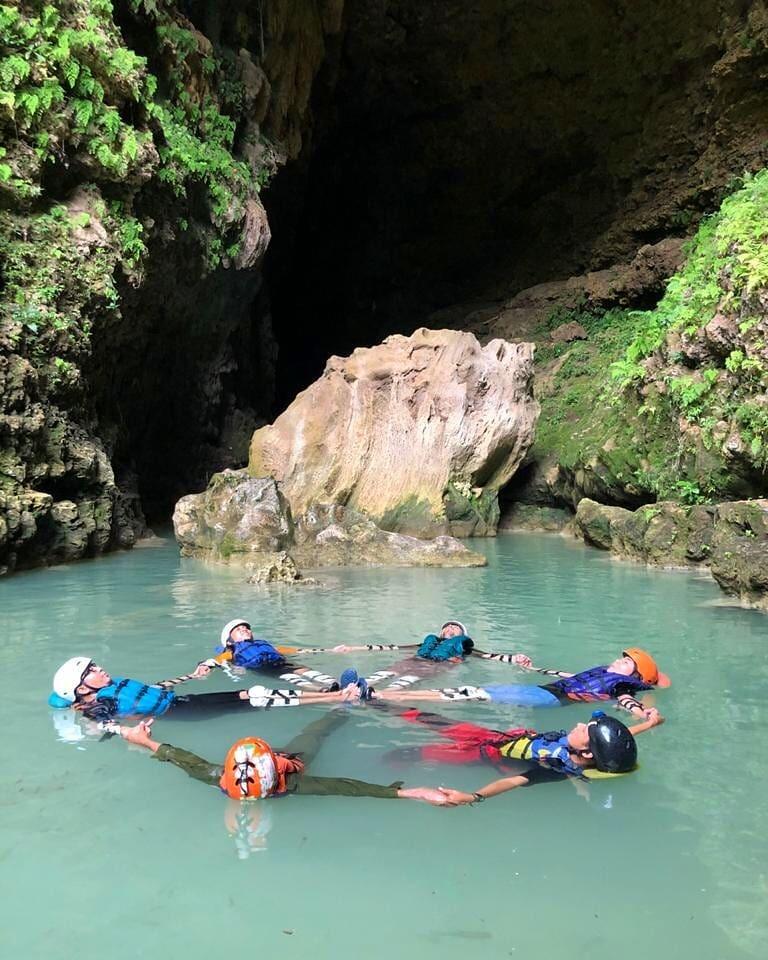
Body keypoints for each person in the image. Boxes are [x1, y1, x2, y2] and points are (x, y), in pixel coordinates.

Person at [111, 711, 447, 804]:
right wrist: (407, 792)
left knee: (314, 734)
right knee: (314, 735)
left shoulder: (219, 776)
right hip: (289, 763)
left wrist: (145, 742)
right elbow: (346, 787)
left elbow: (184, 759)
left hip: (263, 779)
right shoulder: (296, 780)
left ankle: (343, 709)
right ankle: (343, 709)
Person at [372, 647, 671, 720]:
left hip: (549, 699)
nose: (619, 661)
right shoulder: (607, 673)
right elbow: (571, 678)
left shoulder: (623, 685)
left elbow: (625, 700)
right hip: (548, 691)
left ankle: (381, 694)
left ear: (634, 675)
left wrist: (643, 713)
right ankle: (383, 694)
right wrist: (538, 668)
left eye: (626, 662)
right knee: (471, 694)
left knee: (471, 694)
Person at [48, 656, 366, 723]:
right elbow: (105, 724)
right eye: (91, 671)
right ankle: (338, 698)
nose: (100, 669)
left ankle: (333, 696)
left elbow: (158, 687)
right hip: (179, 712)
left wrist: (194, 673)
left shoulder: (115, 684)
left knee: (251, 693)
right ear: (79, 688)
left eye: (96, 666)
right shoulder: (96, 706)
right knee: (255, 696)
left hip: (182, 700)